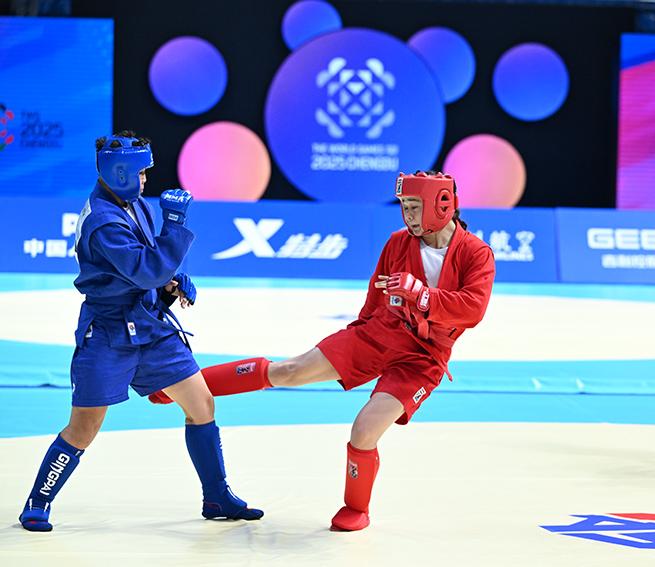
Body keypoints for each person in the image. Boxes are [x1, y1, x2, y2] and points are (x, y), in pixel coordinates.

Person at [149, 170, 496, 531]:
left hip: (423, 358)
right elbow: (374, 297)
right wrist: (357, 335)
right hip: (379, 333)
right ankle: (180, 386)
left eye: (414, 206)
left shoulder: (476, 253)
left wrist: (421, 294)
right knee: (289, 370)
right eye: (404, 206)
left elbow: (473, 309)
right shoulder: (398, 242)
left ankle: (356, 508)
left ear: (441, 205)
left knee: (364, 430)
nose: (407, 215)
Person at [18, 131, 263, 532]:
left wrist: (170, 283)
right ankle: (38, 501)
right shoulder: (103, 222)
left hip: (149, 325)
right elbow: (147, 269)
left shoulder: (132, 204)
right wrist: (175, 227)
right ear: (120, 172)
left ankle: (217, 495)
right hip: (108, 334)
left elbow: (148, 267)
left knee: (201, 404)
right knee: (83, 428)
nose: (146, 179)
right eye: (141, 172)